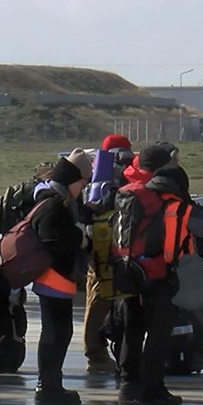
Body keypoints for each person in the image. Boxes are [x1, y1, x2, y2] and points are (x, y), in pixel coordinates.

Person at [119, 149, 203, 405]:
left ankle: (128, 384)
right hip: (162, 276)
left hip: (132, 272)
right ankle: (152, 390)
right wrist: (190, 201)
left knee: (133, 329)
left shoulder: (137, 198)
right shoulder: (179, 207)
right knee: (159, 334)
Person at [29, 149, 94, 405]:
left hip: (56, 277)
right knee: (56, 332)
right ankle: (48, 387)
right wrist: (80, 237)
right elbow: (52, 239)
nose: (83, 187)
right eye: (82, 182)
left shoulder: (56, 200)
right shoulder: (54, 204)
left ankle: (50, 384)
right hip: (53, 277)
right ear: (72, 180)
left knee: (58, 332)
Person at [81, 134, 134, 375]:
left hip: (99, 242)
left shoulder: (96, 175)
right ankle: (97, 355)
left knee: (98, 297)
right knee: (105, 299)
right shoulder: (122, 173)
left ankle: (98, 354)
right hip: (118, 242)